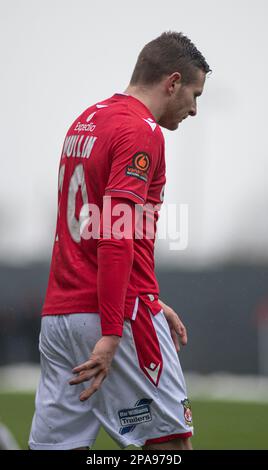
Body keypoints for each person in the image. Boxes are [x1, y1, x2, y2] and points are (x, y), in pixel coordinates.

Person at [29, 31, 210, 451]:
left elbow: (86, 227)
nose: (195, 110)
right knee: (169, 446)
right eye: (194, 94)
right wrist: (114, 328)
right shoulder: (141, 131)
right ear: (173, 82)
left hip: (60, 315)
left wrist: (149, 295)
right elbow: (114, 234)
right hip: (113, 315)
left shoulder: (86, 120)